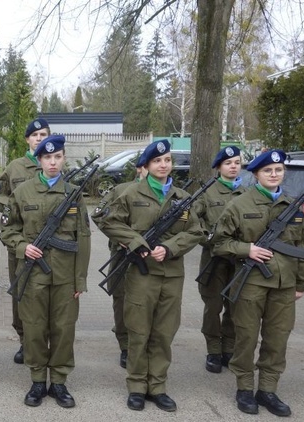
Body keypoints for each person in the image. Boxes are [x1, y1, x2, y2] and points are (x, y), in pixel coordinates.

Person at [97, 140, 204, 412]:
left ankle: (157, 386)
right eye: (157, 161)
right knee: (139, 332)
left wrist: (170, 248)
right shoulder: (131, 193)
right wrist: (135, 242)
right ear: (146, 166)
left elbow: (195, 231)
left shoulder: (182, 198)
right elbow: (109, 221)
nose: (163, 165)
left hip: (171, 275)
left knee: (164, 333)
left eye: (167, 160)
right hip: (140, 275)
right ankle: (135, 386)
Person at [212, 149, 304, 417]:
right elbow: (219, 244)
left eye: (278, 170)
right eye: (268, 170)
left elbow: (303, 247)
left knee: (277, 339)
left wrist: (302, 282)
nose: (274, 174)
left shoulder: (293, 206)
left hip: (284, 285)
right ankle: (244, 388)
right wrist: (248, 250)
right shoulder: (239, 205)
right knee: (245, 337)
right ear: (256, 174)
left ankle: (267, 390)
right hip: (251, 284)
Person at [0, 135, 91, 408]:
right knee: (35, 328)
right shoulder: (22, 192)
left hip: (65, 277)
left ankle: (59, 382)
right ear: (39, 160)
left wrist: (80, 280)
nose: (53, 162)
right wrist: (22, 247)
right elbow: (6, 229)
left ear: (63, 159)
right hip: (33, 275)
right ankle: (38, 380)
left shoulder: (74, 193)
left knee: (63, 330)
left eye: (58, 157)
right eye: (47, 158)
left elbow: (83, 237)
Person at [0, 118, 50, 364]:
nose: (39, 138)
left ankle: (44, 341)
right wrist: (16, 207)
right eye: (35, 134)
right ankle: (24, 339)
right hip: (19, 241)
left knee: (48, 292)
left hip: (49, 244)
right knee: (20, 289)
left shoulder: (53, 166)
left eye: (44, 134)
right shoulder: (15, 168)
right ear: (27, 139)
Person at [191, 146, 245, 374]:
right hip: (214, 260)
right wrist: (207, 239)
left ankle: (228, 349)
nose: (233, 166)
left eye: (236, 163)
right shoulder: (207, 192)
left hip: (240, 261)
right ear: (219, 167)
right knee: (212, 306)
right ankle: (213, 350)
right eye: (228, 163)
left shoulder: (248, 192)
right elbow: (193, 220)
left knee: (235, 306)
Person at [91, 155, 148, 369]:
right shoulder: (121, 190)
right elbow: (99, 215)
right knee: (122, 301)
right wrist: (122, 238)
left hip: (152, 258)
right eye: (148, 165)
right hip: (123, 256)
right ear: (140, 169)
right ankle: (125, 346)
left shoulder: (167, 195)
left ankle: (146, 345)